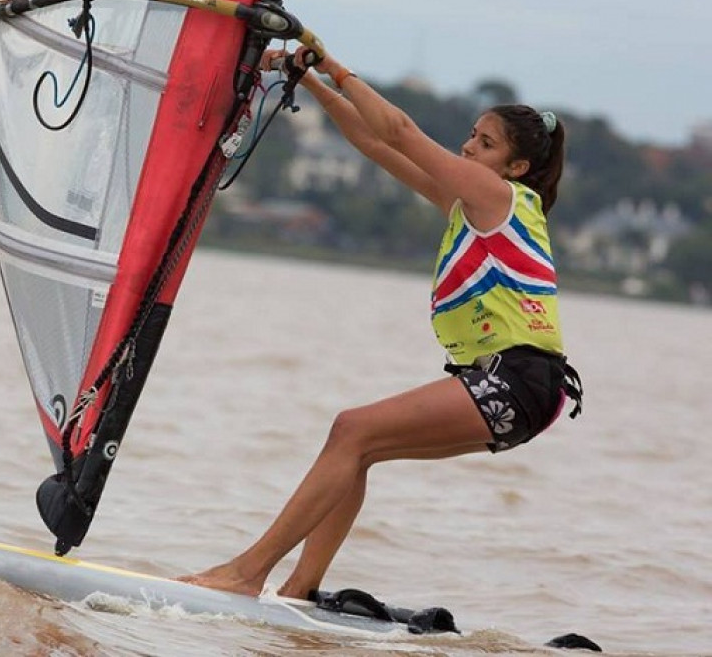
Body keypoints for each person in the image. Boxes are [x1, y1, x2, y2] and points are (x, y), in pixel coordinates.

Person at [179, 46, 583, 599]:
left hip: (519, 380)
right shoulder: (469, 201)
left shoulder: (501, 195)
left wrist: (332, 67)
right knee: (358, 446)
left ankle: (247, 573)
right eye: (471, 134)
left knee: (352, 430)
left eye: (485, 144)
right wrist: (312, 84)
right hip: (516, 386)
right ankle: (298, 593)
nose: (468, 146)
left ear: (515, 168)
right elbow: (372, 142)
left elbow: (396, 130)